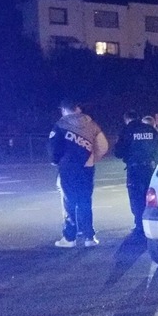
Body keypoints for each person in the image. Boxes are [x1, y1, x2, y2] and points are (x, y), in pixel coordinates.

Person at [49, 99, 108, 247]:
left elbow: (53, 147)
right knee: (85, 201)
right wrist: (93, 158)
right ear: (78, 109)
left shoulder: (61, 125)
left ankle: (69, 238)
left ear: (64, 110)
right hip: (86, 167)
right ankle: (89, 237)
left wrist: (56, 161)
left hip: (68, 168)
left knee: (69, 202)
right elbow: (103, 145)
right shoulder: (92, 125)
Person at [114, 110, 158, 235]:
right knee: (149, 197)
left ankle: (140, 225)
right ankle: (151, 224)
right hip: (149, 169)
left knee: (136, 197)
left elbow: (118, 152)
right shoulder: (150, 130)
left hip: (134, 169)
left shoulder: (127, 130)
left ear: (127, 119)